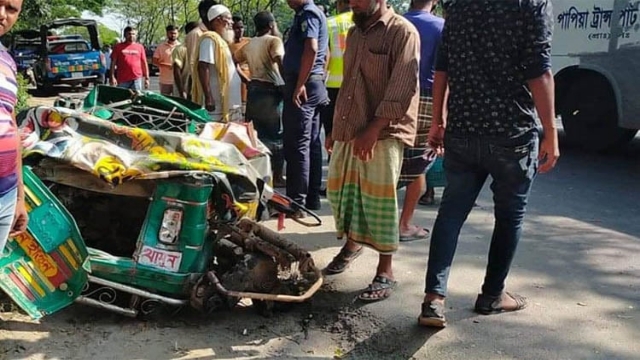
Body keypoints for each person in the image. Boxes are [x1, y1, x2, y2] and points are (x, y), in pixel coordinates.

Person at [419, 0, 559, 328]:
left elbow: (443, 65)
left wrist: (438, 119)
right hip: (511, 134)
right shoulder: (532, 4)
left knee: (451, 213)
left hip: (463, 129)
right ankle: (492, 295)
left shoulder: (458, 5)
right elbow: (539, 70)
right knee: (509, 217)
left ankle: (433, 299)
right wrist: (551, 131)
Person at [324, 0, 420, 302]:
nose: (353, 2)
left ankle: (386, 270)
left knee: (380, 201)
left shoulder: (402, 32)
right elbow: (348, 85)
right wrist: (336, 129)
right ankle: (352, 246)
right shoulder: (354, 33)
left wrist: (373, 130)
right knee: (344, 194)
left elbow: (402, 88)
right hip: (351, 129)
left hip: (384, 132)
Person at [394, 0, 444, 242]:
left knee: (392, 159)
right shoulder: (441, 27)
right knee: (418, 164)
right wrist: (444, 116)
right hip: (427, 98)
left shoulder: (395, 23)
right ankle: (404, 225)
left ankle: (373, 223)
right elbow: (447, 73)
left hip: (394, 97)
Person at [282, 0, 329, 213]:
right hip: (313, 83)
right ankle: (311, 199)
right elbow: (324, 54)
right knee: (311, 143)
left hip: (304, 85)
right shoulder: (311, 13)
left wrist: (301, 83)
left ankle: (296, 202)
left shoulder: (308, 14)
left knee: (297, 143)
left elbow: (311, 48)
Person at [235, 11, 286, 187]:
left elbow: (234, 60)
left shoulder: (249, 44)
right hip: (271, 92)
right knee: (276, 136)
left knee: (255, 135)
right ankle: (278, 177)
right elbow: (279, 60)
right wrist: (287, 84)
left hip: (254, 91)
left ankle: (258, 174)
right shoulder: (274, 41)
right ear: (271, 25)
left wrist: (246, 80)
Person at [0, 0, 28, 255]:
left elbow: (12, 126)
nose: (2, 15)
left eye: (11, 9)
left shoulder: (8, 61)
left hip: (5, 193)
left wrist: (19, 197)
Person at [319, 0, 351, 196]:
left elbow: (324, 58)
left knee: (333, 137)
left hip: (332, 88)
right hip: (357, 88)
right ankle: (351, 183)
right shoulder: (364, 22)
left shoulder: (330, 24)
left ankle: (334, 182)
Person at [192, 4, 243, 122]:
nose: (231, 22)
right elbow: (203, 67)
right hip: (217, 103)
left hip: (230, 101)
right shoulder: (209, 39)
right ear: (218, 20)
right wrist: (208, 97)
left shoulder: (221, 41)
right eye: (228, 18)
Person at [110, 26, 150, 91]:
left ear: (136, 35)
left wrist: (147, 78)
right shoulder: (118, 47)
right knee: (122, 99)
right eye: (129, 34)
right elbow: (113, 63)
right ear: (125, 35)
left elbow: (144, 62)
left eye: (133, 34)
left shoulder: (140, 47)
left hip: (136, 78)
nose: (131, 36)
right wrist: (112, 77)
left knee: (137, 98)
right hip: (122, 79)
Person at [173, 22, 200, 100]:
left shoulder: (201, 48)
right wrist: (182, 92)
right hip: (183, 92)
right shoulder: (180, 49)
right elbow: (176, 72)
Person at [229, 14, 251, 105]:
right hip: (237, 78)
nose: (240, 30)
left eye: (242, 27)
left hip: (252, 77)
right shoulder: (228, 44)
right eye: (237, 28)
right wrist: (245, 79)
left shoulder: (250, 41)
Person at [153, 25, 180, 96]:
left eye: (175, 33)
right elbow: (155, 61)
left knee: (178, 102)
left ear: (178, 34)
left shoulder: (181, 46)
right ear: (167, 34)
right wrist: (165, 65)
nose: (173, 35)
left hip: (178, 81)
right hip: (165, 81)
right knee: (165, 101)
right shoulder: (161, 47)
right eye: (171, 33)